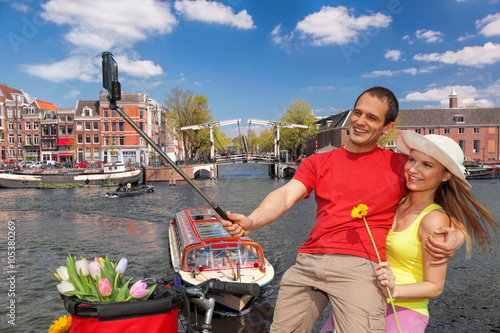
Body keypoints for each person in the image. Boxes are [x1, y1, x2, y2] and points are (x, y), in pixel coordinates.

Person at [220, 87, 463, 332]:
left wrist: (458, 232)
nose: (360, 122)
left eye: (372, 117)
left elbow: (441, 198)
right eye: (357, 113)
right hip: (309, 261)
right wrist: (252, 220)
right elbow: (285, 195)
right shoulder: (317, 161)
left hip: (360, 268)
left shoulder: (399, 166)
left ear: (386, 128)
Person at [320, 131, 498, 333]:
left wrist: (394, 290)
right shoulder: (395, 201)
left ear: (446, 175)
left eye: (427, 165)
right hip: (362, 302)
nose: (413, 169)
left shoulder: (434, 220)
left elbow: (434, 286)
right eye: (412, 159)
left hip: (404, 310)